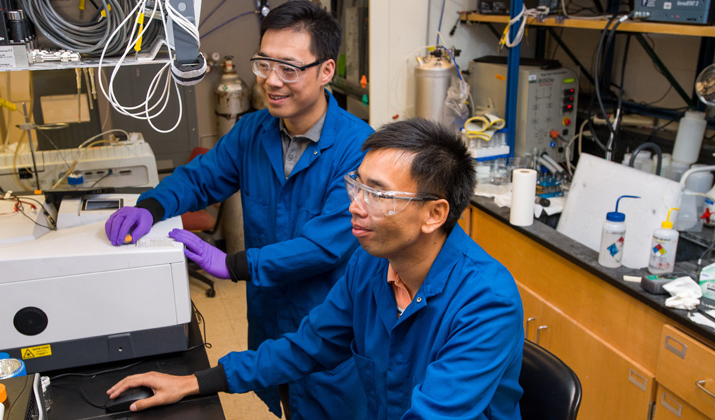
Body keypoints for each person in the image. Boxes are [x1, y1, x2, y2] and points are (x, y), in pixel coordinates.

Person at [107, 118, 525, 419]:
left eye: (377, 194)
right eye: (356, 186)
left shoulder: (486, 302)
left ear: (434, 214)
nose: (355, 206)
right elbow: (307, 346)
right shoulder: (371, 265)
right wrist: (197, 382)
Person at [103, 2, 373, 419]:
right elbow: (200, 179)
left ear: (325, 71)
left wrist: (234, 264)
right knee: (284, 399)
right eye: (264, 64)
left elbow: (325, 246)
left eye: (289, 68)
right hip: (270, 316)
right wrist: (153, 206)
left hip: (328, 325)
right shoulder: (252, 132)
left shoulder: (359, 150)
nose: (271, 81)